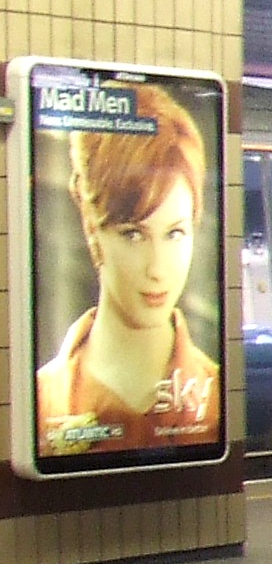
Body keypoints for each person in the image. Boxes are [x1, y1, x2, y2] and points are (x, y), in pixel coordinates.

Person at [34, 85, 220, 459]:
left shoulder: (216, 397)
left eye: (175, 233)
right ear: (91, 226)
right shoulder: (44, 402)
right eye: (133, 234)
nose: (157, 269)